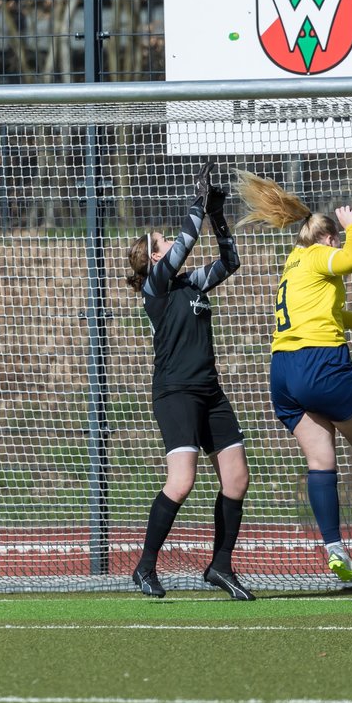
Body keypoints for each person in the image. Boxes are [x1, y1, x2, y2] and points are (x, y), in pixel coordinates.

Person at [235, 171, 352, 582]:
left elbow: (332, 314)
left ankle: (334, 548)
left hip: (283, 373)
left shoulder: (294, 264)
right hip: (318, 364)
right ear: (327, 239)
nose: (338, 246)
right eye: (336, 239)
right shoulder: (319, 254)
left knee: (321, 458)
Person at [124, 162, 254, 601]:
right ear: (155, 257)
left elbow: (230, 261)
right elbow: (185, 242)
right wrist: (197, 204)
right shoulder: (156, 287)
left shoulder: (190, 285)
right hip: (175, 393)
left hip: (209, 391)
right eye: (162, 242)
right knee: (181, 482)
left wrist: (216, 215)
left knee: (236, 479)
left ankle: (220, 566)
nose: (168, 241)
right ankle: (144, 567)